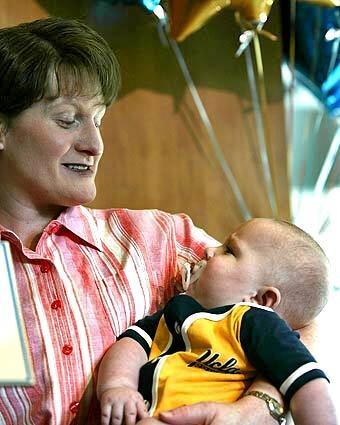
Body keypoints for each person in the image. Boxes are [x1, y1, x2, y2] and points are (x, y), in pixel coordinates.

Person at [0, 16, 320, 425]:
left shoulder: (160, 241)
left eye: (98, 119)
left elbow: (302, 311)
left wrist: (258, 407)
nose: (94, 145)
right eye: (67, 120)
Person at [97, 218, 338, 425]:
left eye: (229, 251)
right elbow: (132, 344)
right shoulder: (180, 310)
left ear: (261, 298)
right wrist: (119, 385)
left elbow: (308, 382)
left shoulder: (257, 323)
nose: (210, 250)